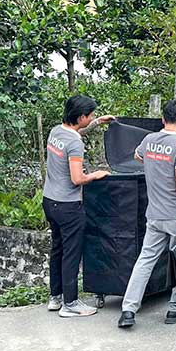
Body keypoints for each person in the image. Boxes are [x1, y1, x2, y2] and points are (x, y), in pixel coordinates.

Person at [118, 100, 176, 328]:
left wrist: (154, 164)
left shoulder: (149, 140)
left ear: (163, 119)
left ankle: (128, 309)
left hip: (154, 215)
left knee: (145, 260)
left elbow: (137, 156)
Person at [43, 95, 113, 318]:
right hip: (68, 206)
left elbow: (74, 135)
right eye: (90, 115)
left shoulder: (57, 131)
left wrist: (97, 123)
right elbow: (76, 179)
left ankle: (56, 297)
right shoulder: (75, 143)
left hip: (49, 201)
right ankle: (70, 303)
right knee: (71, 254)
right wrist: (96, 175)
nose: (91, 117)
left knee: (58, 249)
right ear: (81, 116)